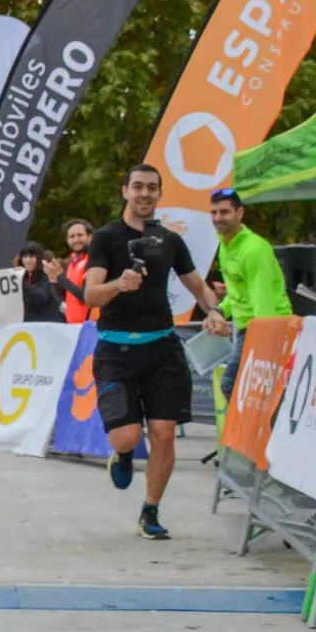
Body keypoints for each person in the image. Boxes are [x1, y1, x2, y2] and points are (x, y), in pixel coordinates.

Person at [79, 164, 227, 542]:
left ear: (159, 194)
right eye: (138, 187)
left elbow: (199, 287)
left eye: (152, 188)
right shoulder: (106, 239)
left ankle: (150, 511)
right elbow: (90, 295)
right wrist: (118, 283)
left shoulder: (169, 240)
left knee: (164, 434)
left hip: (163, 348)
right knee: (126, 437)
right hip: (115, 349)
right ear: (125, 191)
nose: (145, 194)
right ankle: (126, 454)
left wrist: (213, 311)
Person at [207, 187, 291, 399]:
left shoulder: (254, 249)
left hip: (267, 328)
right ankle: (262, 431)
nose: (218, 218)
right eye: (214, 212)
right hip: (248, 329)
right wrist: (218, 310)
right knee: (253, 393)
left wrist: (265, 344)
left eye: (225, 212)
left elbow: (264, 302)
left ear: (240, 213)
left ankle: (260, 432)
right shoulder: (225, 244)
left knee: (233, 386)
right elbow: (237, 294)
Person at [57, 218, 95, 322]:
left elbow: (86, 297)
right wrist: (53, 280)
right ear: (67, 240)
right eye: (72, 236)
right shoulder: (72, 261)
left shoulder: (94, 259)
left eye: (80, 235)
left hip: (92, 326)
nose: (76, 240)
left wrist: (60, 277)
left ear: (90, 237)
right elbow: (64, 296)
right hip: (73, 327)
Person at [18, 243, 65, 322]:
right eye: (25, 256)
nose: (27, 260)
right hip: (29, 326)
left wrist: (20, 281)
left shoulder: (47, 276)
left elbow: (40, 298)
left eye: (31, 256)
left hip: (47, 326)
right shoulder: (24, 277)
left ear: (39, 258)